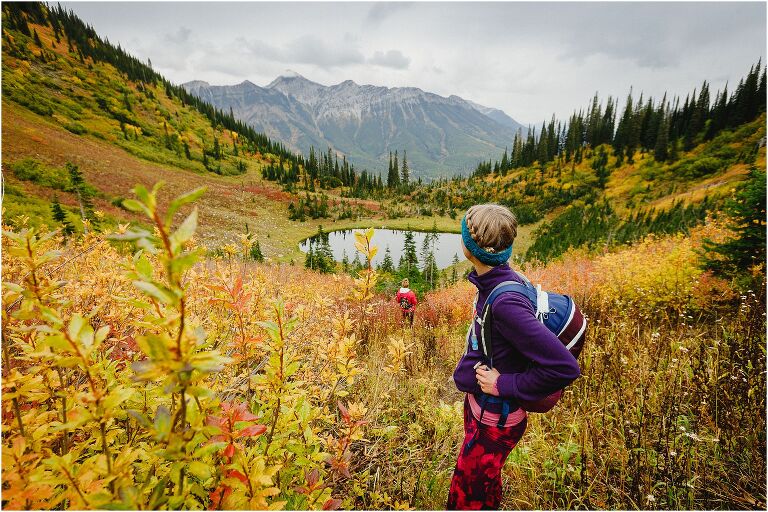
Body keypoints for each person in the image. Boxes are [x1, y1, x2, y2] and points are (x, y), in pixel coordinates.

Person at [447, 204, 581, 510]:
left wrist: (502, 384)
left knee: (467, 497)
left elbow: (565, 368)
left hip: (495, 420)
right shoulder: (498, 280)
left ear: (470, 247)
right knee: (484, 484)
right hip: (485, 412)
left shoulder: (506, 301)